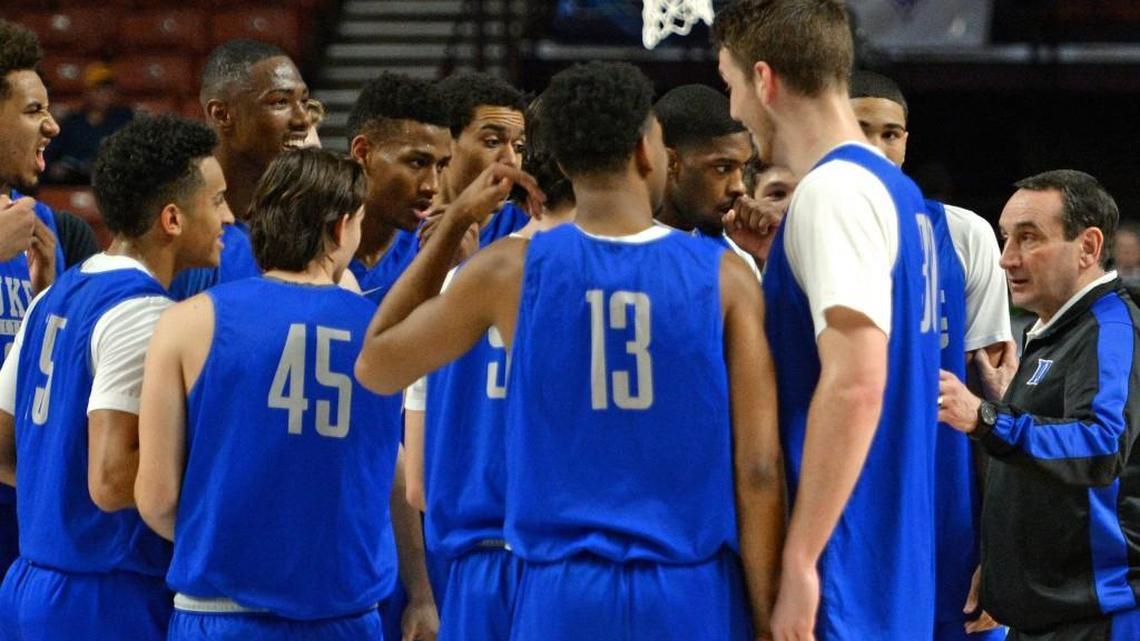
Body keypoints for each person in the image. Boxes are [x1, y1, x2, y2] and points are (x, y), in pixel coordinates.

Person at [355, 60, 783, 641]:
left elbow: (376, 365)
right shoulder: (726, 275)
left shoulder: (508, 271)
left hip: (560, 593)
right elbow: (759, 469)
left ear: (557, 162)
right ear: (645, 152)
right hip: (687, 588)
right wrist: (765, 613)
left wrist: (455, 220)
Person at [714, 2, 945, 639]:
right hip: (887, 557)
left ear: (764, 80)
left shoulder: (833, 193)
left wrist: (799, 560)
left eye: (730, 84)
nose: (732, 108)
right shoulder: (901, 195)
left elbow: (856, 384)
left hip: (842, 562)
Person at [134, 148, 420, 641]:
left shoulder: (183, 322)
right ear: (341, 227)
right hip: (344, 616)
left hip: (219, 613)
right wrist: (423, 593)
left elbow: (157, 500)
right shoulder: (384, 334)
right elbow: (397, 473)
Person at [0, 114, 229, 641]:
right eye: (215, 202)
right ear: (172, 219)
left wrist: (57, 499)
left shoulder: (54, 294)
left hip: (30, 581)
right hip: (103, 594)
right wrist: (223, 472)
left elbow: (5, 449)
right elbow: (110, 480)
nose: (229, 217)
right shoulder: (141, 312)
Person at [400, 91, 577, 640]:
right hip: (570, 566)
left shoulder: (458, 287)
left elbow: (418, 489)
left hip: (476, 571)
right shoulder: (609, 289)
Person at [938, 170, 1140, 641]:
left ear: (1088, 247)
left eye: (1028, 238)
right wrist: (1007, 565)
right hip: (1051, 616)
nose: (1007, 259)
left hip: (1101, 618)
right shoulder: (1055, 331)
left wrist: (984, 417)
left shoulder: (1111, 329)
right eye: (1006, 239)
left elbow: (1099, 445)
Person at [849, 68, 1015, 641]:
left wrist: (1000, 548)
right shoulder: (799, 227)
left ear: (907, 142)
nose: (878, 146)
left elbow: (993, 399)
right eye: (860, 129)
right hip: (848, 505)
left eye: (891, 133)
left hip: (945, 509)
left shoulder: (964, 234)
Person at [0, 17, 66, 581]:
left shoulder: (40, 223)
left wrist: (47, 303)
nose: (51, 125)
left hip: (24, 499)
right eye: (31, 110)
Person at [168, 39, 309, 300]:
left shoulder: (306, 228)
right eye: (280, 102)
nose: (302, 120)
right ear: (222, 114)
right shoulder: (186, 238)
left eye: (304, 101)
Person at [346, 72, 452, 304]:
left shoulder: (437, 250)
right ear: (363, 153)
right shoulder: (302, 246)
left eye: (442, 166)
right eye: (418, 163)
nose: (432, 186)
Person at [652, 84, 764, 277]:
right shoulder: (617, 248)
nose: (740, 187)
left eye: (742, 168)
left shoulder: (738, 256)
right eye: (722, 168)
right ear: (671, 163)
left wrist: (766, 257)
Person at [43, 62, 133, 185]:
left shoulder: (124, 120)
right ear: (87, 93)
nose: (104, 95)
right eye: (99, 90)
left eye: (108, 90)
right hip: (72, 181)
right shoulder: (72, 123)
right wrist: (54, 167)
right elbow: (50, 156)